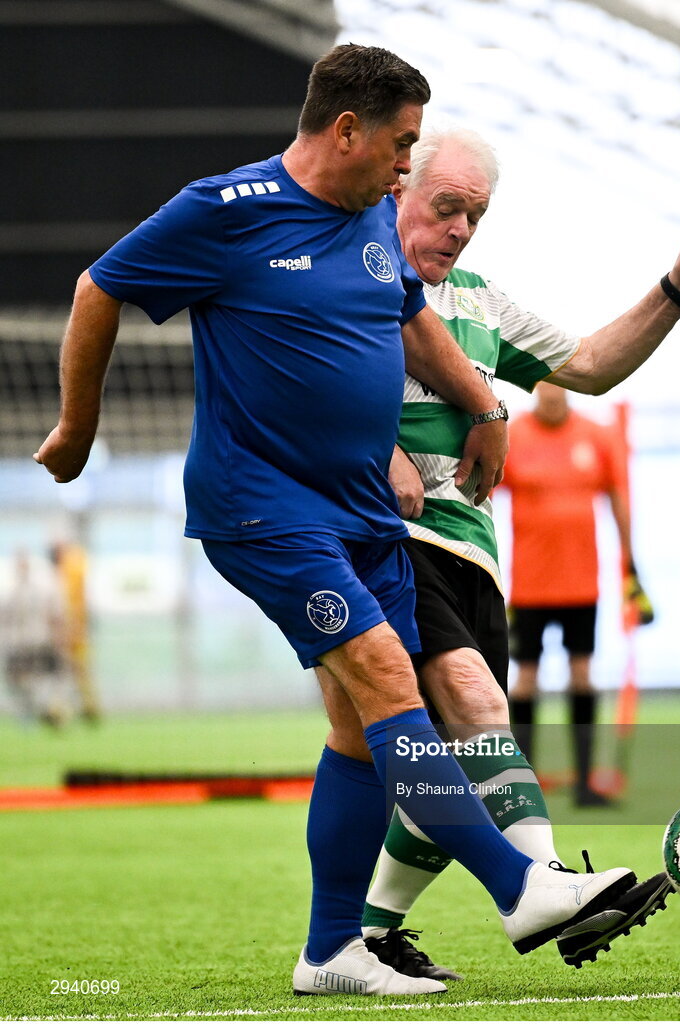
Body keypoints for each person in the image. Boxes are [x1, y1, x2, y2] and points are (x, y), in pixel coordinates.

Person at [34, 45, 643, 998]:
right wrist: (78, 427)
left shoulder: (367, 225)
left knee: (361, 730)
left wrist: (484, 407)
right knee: (388, 676)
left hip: (361, 513)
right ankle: (520, 886)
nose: (408, 167)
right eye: (402, 146)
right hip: (265, 510)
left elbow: (413, 321)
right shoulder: (222, 211)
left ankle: (330, 951)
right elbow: (96, 289)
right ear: (347, 129)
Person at [358, 127, 680, 978]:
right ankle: (548, 887)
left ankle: (372, 930)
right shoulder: (350, 279)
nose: (458, 229)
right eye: (444, 206)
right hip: (385, 539)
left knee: (459, 762)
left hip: (474, 557)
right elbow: (294, 383)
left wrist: (675, 290)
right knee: (475, 701)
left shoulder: (483, 304)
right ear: (395, 193)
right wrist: (370, 451)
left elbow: (593, 365)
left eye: (474, 216)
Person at [503, 381, 653, 806]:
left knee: (582, 673)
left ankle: (586, 783)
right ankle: (521, 785)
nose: (554, 405)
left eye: (561, 398)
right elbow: (483, 496)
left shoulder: (595, 435)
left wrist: (631, 565)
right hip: (528, 586)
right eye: (546, 398)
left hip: (582, 583)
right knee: (526, 678)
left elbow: (617, 498)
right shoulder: (513, 435)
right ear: (535, 395)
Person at [1, 549, 71, 727]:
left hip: (38, 640)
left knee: (43, 676)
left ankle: (46, 708)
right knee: (18, 679)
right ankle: (37, 710)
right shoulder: (10, 590)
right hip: (18, 642)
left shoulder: (40, 588)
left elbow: (55, 616)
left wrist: (60, 637)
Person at [49, 541, 100, 722]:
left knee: (74, 670)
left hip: (73, 633)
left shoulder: (69, 573)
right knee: (72, 671)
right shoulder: (65, 574)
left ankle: (71, 708)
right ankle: (79, 707)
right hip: (71, 632)